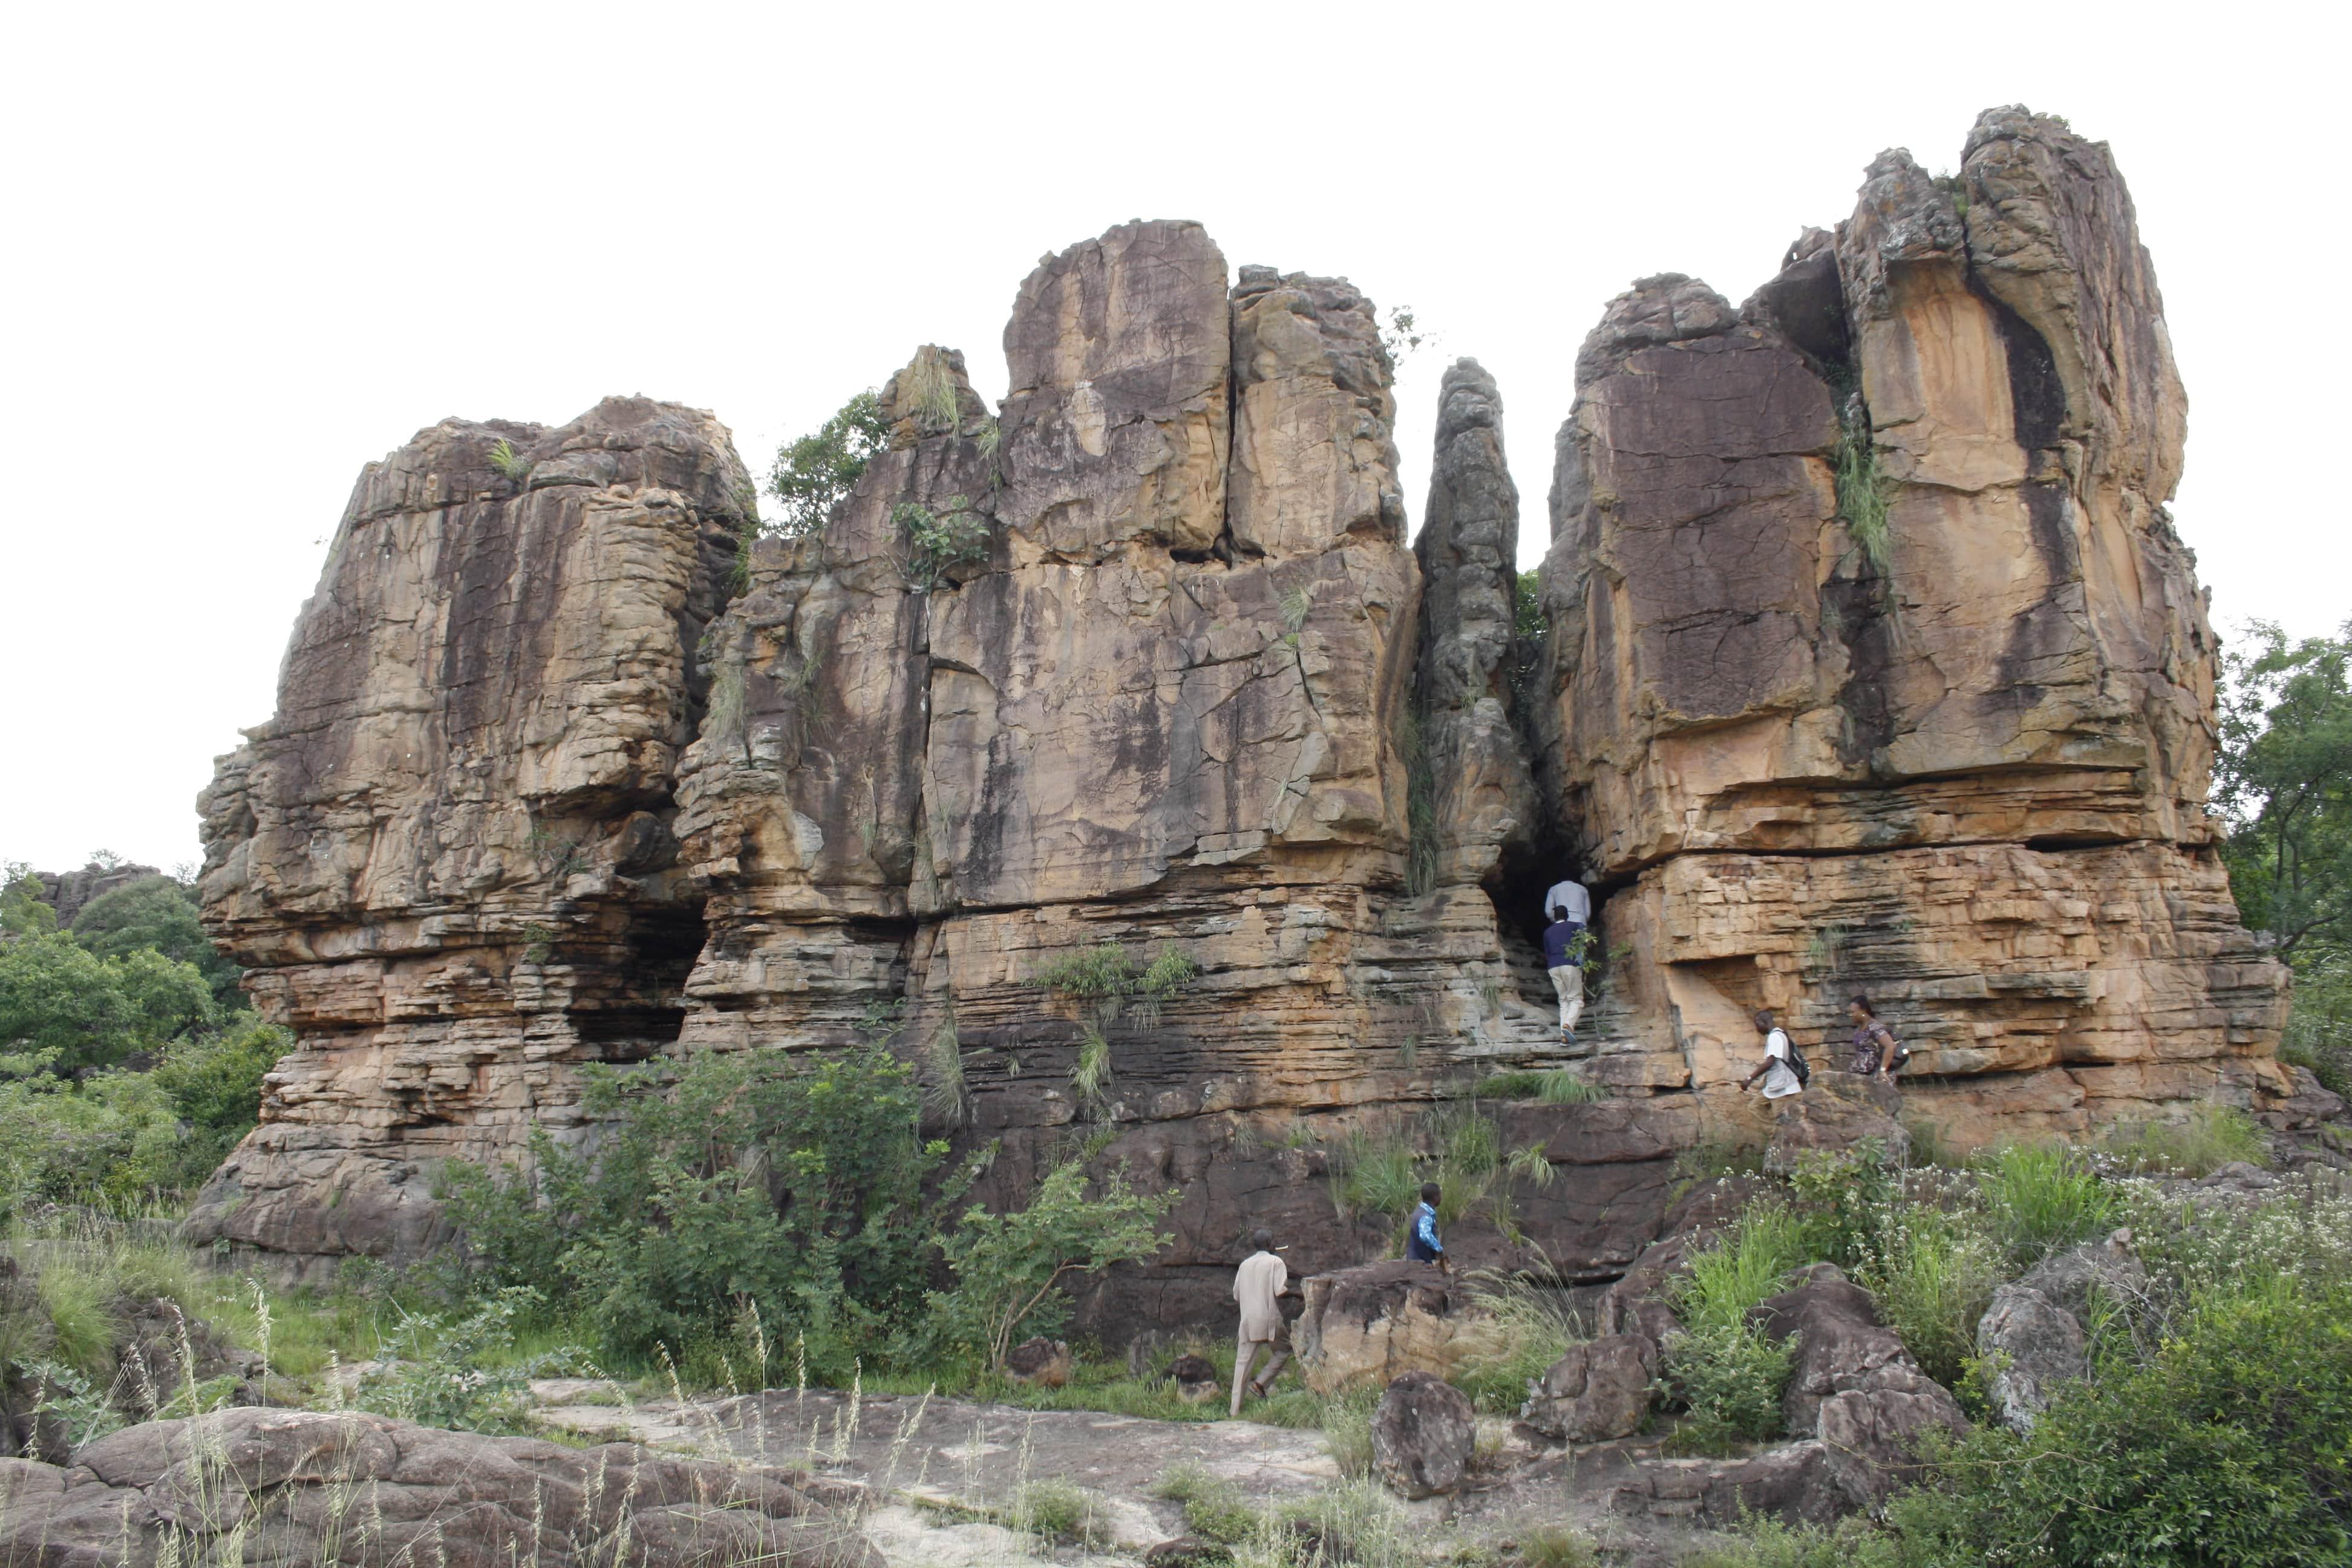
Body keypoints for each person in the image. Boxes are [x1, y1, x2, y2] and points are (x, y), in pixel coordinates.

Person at [1230, 1228, 1290, 1415]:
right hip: (1269, 1317)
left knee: (1242, 1364)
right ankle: (1260, 1383)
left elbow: (1236, 1295)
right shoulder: (1276, 1262)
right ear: (1268, 1244)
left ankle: (1234, 1410)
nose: (1275, 1244)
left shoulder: (1244, 1265)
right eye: (1273, 1241)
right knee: (1284, 1349)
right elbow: (1280, 1291)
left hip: (1248, 1320)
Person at [1739, 1008, 1804, 1109]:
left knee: (1781, 1119)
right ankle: (1771, 1125)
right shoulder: (1780, 1034)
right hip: (1775, 1085)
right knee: (1754, 1108)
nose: (1757, 1028)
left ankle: (1775, 1125)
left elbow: (1770, 1062)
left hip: (1783, 1088)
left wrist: (1749, 1079)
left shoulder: (1775, 1037)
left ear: (1764, 1022)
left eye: (1757, 1024)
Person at [1543, 904, 1586, 1044]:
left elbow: (1547, 953)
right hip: (1569, 964)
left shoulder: (1547, 932)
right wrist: (1581, 964)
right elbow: (1581, 945)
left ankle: (1564, 1037)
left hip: (1553, 966)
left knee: (1563, 1000)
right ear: (1567, 915)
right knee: (1576, 999)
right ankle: (1569, 1025)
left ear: (1555, 917)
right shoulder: (1575, 926)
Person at [1846, 995, 1907, 1076]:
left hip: (1875, 1075)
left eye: (1853, 1012)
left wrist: (1883, 1070)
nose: (1851, 1015)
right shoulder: (1859, 1028)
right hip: (1861, 1072)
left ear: (1863, 1011)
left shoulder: (1874, 1027)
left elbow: (1890, 1046)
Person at [1405, 1182, 1448, 1271]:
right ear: (1435, 1198)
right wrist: (1438, 1249)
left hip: (1413, 1260)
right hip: (1420, 1263)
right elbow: (1425, 1236)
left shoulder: (1418, 1211)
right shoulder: (1426, 1216)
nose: (1441, 1198)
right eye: (1440, 1195)